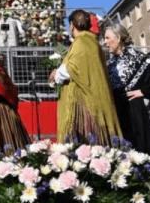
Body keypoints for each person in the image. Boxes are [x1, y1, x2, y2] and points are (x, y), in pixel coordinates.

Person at [103, 25, 150, 171]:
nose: (105, 42)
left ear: (118, 38)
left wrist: (144, 91)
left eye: (107, 38)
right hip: (120, 111)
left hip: (137, 111)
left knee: (143, 147)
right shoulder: (111, 63)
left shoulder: (137, 57)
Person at [50, 9, 121, 146]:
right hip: (91, 95)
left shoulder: (82, 41)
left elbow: (74, 67)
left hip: (84, 101)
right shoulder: (91, 41)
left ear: (72, 25)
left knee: (87, 139)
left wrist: (56, 74)